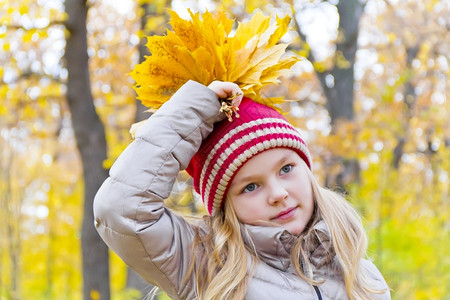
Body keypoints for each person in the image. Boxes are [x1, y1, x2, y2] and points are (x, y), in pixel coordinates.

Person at [93, 79, 391, 300]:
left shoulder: (361, 275)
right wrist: (198, 108)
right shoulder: (206, 265)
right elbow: (120, 210)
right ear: (225, 204)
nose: (278, 194)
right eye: (250, 186)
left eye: (286, 169)